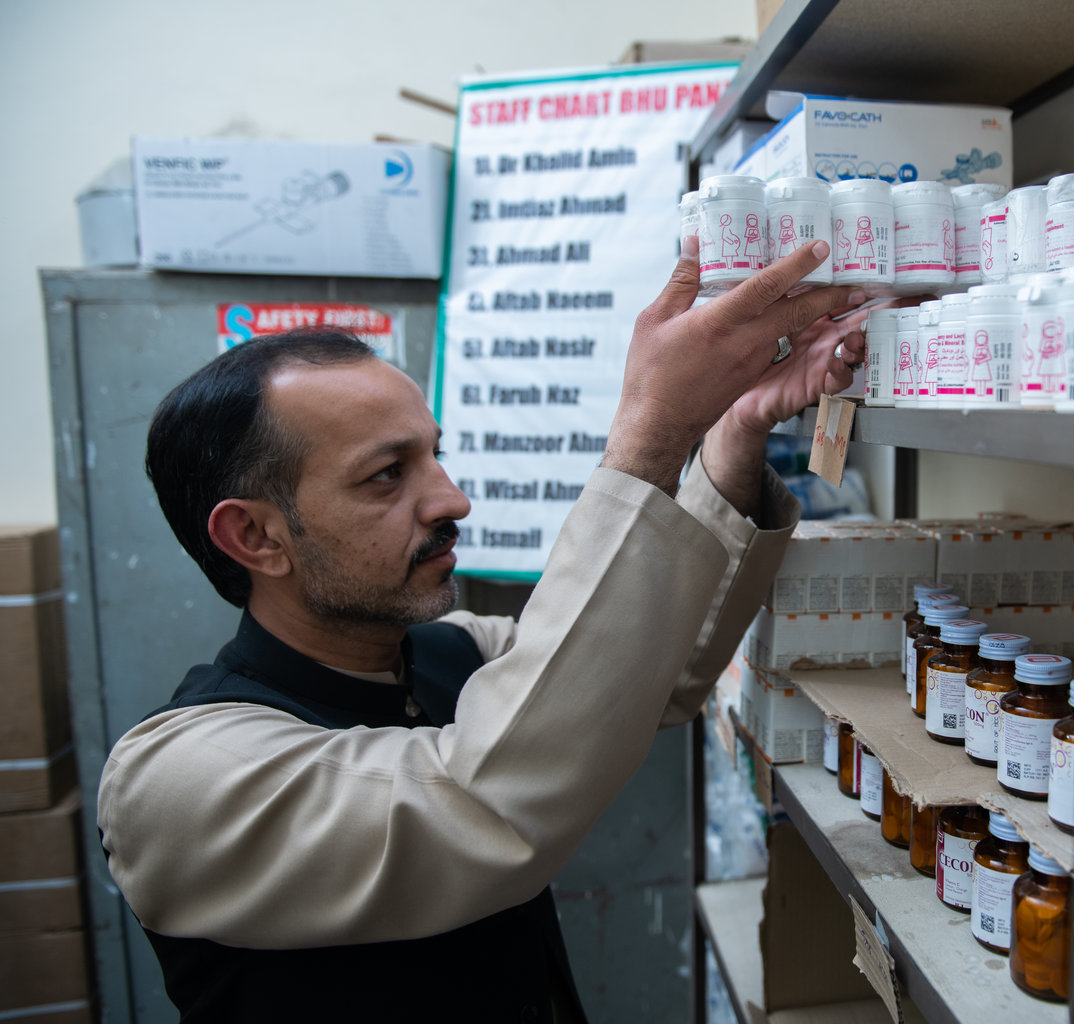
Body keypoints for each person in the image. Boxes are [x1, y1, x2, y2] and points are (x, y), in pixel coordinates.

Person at [97, 237, 868, 1022]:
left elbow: (648, 671)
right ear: (256, 538)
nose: (452, 500)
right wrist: (649, 436)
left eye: (436, 457)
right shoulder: (174, 780)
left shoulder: (454, 654)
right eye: (386, 475)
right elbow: (482, 805)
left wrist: (735, 427)